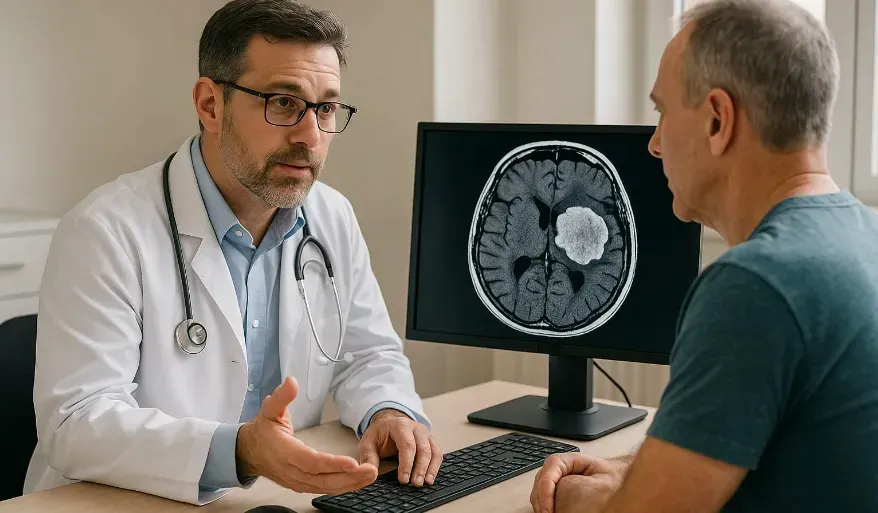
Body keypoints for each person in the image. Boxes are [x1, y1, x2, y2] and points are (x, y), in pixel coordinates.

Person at [24, 0, 442, 505]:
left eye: (326, 108)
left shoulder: (331, 217)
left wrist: (389, 411)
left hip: (271, 499)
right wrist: (239, 450)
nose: (310, 136)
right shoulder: (106, 231)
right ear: (209, 105)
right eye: (283, 103)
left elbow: (366, 355)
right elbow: (76, 424)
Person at [529, 0, 878, 512]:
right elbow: (774, 441)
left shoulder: (755, 285)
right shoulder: (863, 237)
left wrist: (573, 497)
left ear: (718, 120)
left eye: (662, 111)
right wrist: (629, 469)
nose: (653, 144)